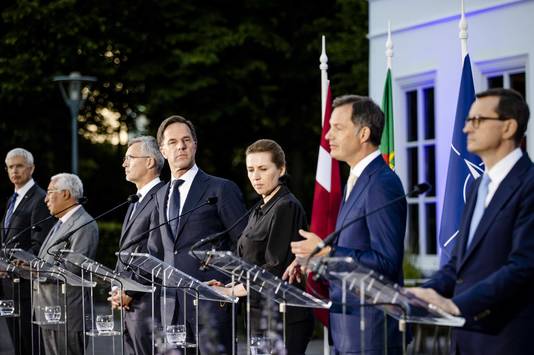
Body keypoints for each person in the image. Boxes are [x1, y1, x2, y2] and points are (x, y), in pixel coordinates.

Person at [409, 88, 534, 355]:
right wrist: (421, 293)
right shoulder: (478, 185)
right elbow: (459, 264)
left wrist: (458, 305)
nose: (467, 129)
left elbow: (523, 266)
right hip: (464, 339)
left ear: (508, 127)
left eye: (477, 120)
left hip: (507, 339)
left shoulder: (530, 184)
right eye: (467, 121)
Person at [284, 95, 407, 354]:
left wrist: (327, 252)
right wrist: (315, 261)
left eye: (337, 128)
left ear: (364, 133)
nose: (328, 136)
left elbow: (386, 263)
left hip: (372, 333)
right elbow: (354, 250)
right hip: (348, 330)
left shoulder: (381, 183)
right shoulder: (357, 180)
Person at [148, 115, 247, 353]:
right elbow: (163, 250)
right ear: (163, 149)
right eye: (172, 142)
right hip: (171, 308)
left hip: (212, 303)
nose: (180, 146)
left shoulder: (220, 189)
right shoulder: (160, 196)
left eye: (186, 140)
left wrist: (226, 287)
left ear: (195, 145)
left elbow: (243, 244)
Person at [210, 139, 314, 354]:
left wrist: (230, 291)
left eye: (263, 169)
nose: (255, 177)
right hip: (257, 314)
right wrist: (228, 283)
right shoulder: (259, 207)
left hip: (283, 318)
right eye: (250, 170)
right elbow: (250, 262)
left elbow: (273, 270)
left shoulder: (286, 207)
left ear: (281, 169)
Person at [109, 136, 165, 355]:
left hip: (147, 301)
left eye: (129, 158)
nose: (124, 164)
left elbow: (154, 250)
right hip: (130, 300)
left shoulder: (162, 196)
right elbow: (128, 248)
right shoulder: (136, 199)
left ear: (150, 162)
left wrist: (129, 290)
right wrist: (117, 286)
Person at [35, 173, 99, 355]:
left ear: (65, 194)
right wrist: (29, 266)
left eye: (50, 192)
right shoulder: (59, 223)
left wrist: (37, 269)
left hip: (67, 315)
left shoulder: (84, 224)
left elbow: (72, 269)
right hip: (48, 311)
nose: (46, 199)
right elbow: (46, 261)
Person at [1, 148, 54, 355]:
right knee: (17, 344)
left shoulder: (40, 198)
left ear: (31, 168)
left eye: (19, 166)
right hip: (8, 285)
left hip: (26, 284)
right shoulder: (11, 200)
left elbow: (39, 245)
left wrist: (11, 266)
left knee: (30, 344)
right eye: (10, 167)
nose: (14, 171)